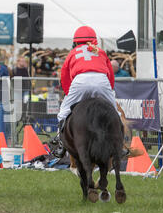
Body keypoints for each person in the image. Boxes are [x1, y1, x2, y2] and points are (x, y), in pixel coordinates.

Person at [50, 26, 118, 158]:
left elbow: (64, 75)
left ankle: (61, 144)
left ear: (75, 41)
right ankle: (119, 145)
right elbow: (110, 74)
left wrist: (68, 92)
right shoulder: (101, 51)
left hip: (80, 81)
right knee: (115, 112)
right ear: (94, 41)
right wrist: (109, 90)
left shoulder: (73, 53)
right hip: (101, 80)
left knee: (63, 113)